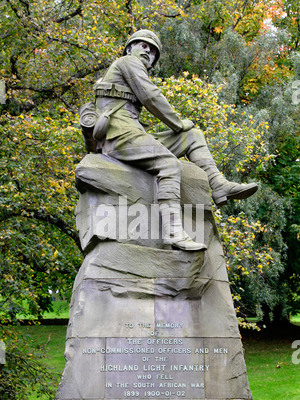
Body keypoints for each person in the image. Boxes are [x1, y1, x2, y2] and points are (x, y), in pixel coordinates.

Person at [84, 30, 257, 251]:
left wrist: (181, 128)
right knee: (169, 163)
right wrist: (177, 123)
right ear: (129, 48)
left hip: (134, 133)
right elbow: (150, 96)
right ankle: (173, 232)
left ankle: (219, 186)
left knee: (192, 136)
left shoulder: (131, 66)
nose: (147, 51)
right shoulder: (127, 61)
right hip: (119, 136)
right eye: (143, 45)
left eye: (153, 50)